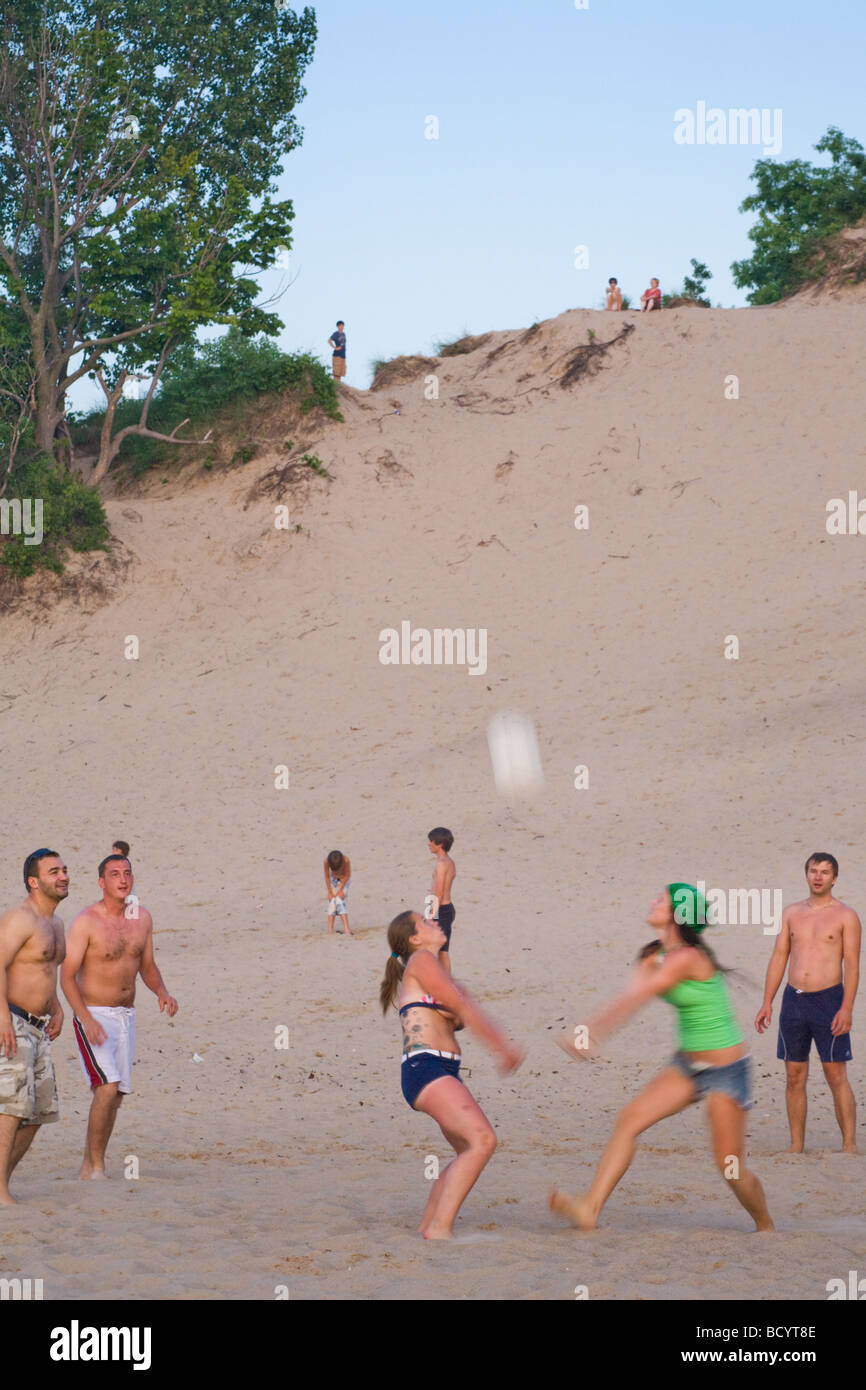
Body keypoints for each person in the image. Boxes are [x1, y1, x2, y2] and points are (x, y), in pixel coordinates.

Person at [549, 884, 774, 1232]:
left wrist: (591, 1031)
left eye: (661, 900)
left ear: (678, 915)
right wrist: (594, 1029)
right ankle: (589, 1209)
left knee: (729, 1165)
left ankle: (765, 1224)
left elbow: (641, 995)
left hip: (726, 1071)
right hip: (687, 1066)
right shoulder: (652, 954)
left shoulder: (687, 958)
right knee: (629, 1121)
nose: (652, 901)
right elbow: (629, 995)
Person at [380, 910, 523, 1239]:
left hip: (439, 1068)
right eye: (426, 923)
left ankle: (427, 1224)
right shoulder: (420, 961)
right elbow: (464, 1007)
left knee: (466, 1150)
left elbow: (458, 1008)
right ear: (414, 939)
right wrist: (501, 1046)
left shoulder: (431, 966)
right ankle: (440, 1229)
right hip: (426, 1067)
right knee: (483, 1141)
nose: (435, 923)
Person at [60, 854, 179, 1179]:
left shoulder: (142, 918)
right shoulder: (86, 921)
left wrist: (162, 992)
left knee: (117, 1094)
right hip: (94, 1015)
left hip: (127, 1017)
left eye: (127, 873)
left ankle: (92, 1162)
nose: (123, 879)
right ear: (102, 882)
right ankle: (94, 1167)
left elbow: (147, 966)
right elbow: (67, 975)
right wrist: (84, 1018)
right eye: (114, 874)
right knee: (108, 1086)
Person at [755, 852, 860, 1153]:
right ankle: (796, 1145)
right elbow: (779, 957)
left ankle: (849, 1145)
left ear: (834, 878)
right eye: (813, 871)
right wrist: (767, 1002)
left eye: (825, 872)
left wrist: (847, 1008)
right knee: (794, 1074)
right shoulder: (791, 913)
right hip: (794, 999)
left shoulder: (846, 916)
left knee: (835, 1073)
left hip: (829, 1000)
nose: (818, 876)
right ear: (806, 874)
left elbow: (851, 965)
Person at [0, 849, 68, 1205]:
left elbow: (48, 971)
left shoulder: (56, 924)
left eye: (64, 870)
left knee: (39, 1112)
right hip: (12, 1021)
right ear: (33, 881)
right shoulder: (19, 918)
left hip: (39, 1027)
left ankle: (1, 1181)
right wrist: (2, 1020)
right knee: (11, 1106)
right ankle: (0, 1193)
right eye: (54, 871)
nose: (63, 876)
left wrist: (56, 1008)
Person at [425, 827, 455, 973]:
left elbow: (439, 891)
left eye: (431, 841)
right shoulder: (449, 861)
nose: (428, 844)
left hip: (440, 909)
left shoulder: (442, 864)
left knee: (432, 951)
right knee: (443, 952)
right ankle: (447, 986)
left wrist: (430, 915)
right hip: (444, 908)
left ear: (440, 844)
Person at [324, 849, 352, 935]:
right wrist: (330, 892)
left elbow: (347, 875)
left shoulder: (346, 860)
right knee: (332, 902)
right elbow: (327, 877)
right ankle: (330, 929)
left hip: (344, 880)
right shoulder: (326, 861)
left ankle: (347, 929)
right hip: (333, 881)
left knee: (339, 900)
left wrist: (340, 890)